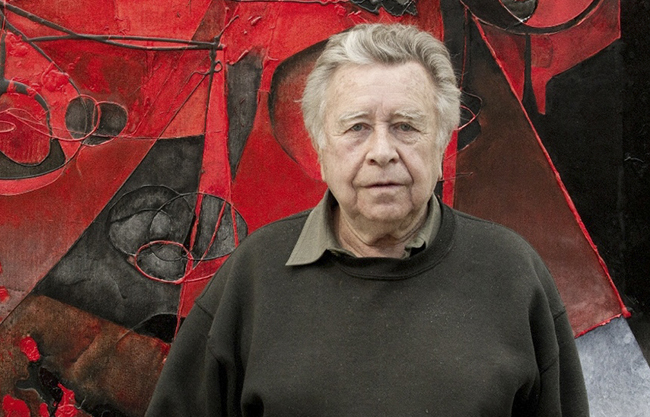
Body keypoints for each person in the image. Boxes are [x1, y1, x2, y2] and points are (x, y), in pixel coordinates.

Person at [145, 23, 589, 416]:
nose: (382, 151)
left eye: (406, 126)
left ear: (442, 143)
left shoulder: (512, 274)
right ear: (320, 149)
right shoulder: (254, 274)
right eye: (357, 127)